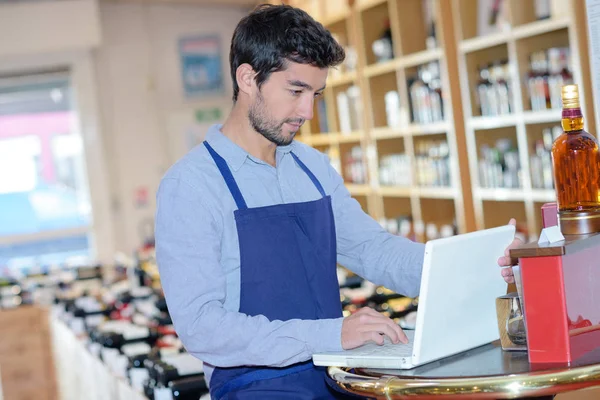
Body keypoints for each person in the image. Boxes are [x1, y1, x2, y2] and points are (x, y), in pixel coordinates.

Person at [155, 4, 522, 399]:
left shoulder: (312, 168)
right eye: (296, 91)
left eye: (316, 94)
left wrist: (475, 265)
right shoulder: (190, 186)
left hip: (339, 375)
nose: (307, 112)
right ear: (247, 78)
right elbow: (202, 328)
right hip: (258, 387)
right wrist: (331, 333)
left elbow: (373, 250)